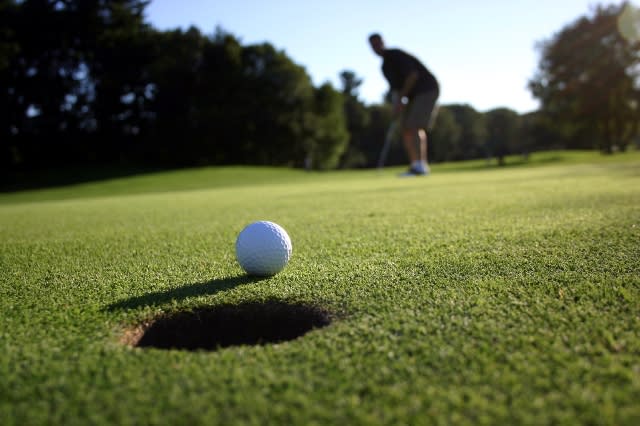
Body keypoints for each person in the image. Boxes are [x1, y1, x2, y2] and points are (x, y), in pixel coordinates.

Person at [368, 33, 439, 176]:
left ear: (383, 42)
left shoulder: (396, 55)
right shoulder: (384, 67)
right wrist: (396, 105)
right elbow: (396, 90)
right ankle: (415, 165)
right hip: (412, 95)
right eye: (373, 45)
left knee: (414, 126)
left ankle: (421, 166)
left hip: (426, 89)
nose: (377, 47)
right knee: (406, 128)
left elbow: (412, 76)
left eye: (378, 43)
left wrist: (401, 98)